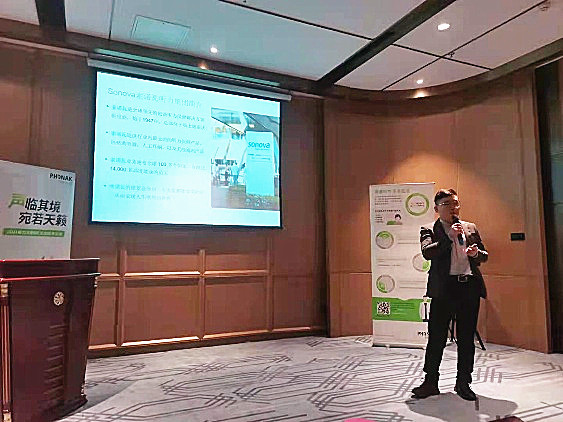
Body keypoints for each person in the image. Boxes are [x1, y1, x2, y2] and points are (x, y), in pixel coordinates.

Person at [412, 188, 488, 401]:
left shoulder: (470, 227)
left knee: (466, 338)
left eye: (455, 203)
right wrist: (449, 237)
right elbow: (428, 253)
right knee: (436, 337)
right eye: (447, 204)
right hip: (444, 290)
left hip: (468, 287)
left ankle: (463, 382)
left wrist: (477, 253)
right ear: (437, 208)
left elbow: (484, 255)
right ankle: (430, 382)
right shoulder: (429, 229)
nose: (453, 208)